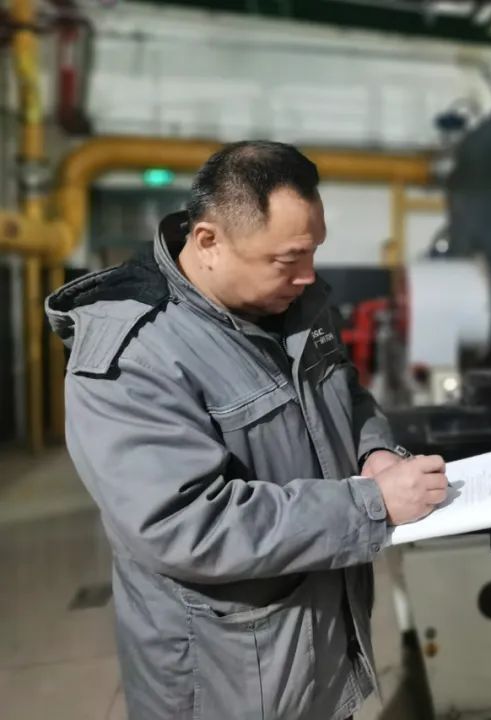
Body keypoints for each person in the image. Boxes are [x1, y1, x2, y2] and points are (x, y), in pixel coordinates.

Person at [45, 140, 448, 720]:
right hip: (225, 678)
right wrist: (371, 504)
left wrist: (375, 452)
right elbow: (184, 525)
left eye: (314, 251)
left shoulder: (296, 304)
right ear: (209, 241)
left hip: (317, 648)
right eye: (288, 260)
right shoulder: (133, 357)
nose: (308, 276)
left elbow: (346, 394)